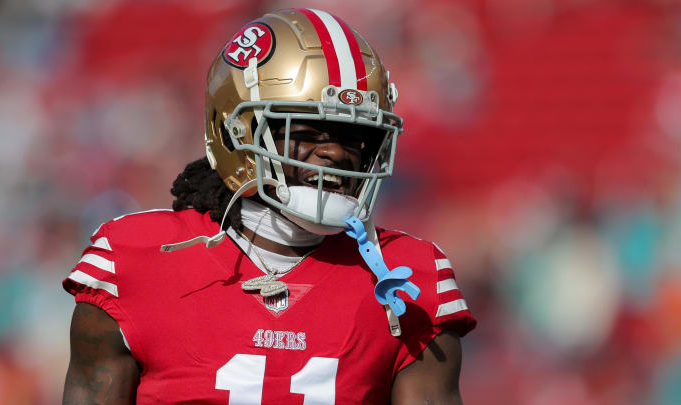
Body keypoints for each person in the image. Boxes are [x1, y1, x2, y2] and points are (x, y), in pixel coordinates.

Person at [62, 8, 476, 405]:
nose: (333, 151)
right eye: (308, 130)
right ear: (235, 132)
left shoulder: (409, 279)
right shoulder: (134, 259)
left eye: (353, 136)